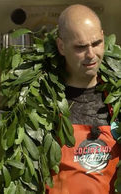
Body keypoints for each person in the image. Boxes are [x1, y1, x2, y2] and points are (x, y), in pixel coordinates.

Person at [46, 4, 120, 194]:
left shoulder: (117, 98)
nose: (90, 54)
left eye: (96, 43)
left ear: (104, 37)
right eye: (80, 47)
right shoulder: (42, 102)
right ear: (61, 46)